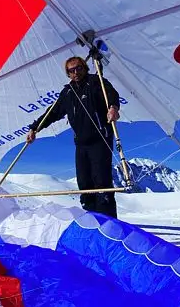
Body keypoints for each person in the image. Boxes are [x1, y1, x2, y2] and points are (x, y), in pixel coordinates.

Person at [26, 56, 121, 218]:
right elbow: (52, 113)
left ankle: (108, 222)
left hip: (100, 140)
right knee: (84, 184)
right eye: (71, 70)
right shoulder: (67, 93)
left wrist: (113, 107)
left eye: (78, 68)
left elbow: (111, 94)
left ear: (84, 68)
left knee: (101, 183)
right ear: (68, 74)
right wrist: (34, 128)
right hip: (81, 144)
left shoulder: (96, 82)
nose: (75, 72)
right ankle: (91, 220)